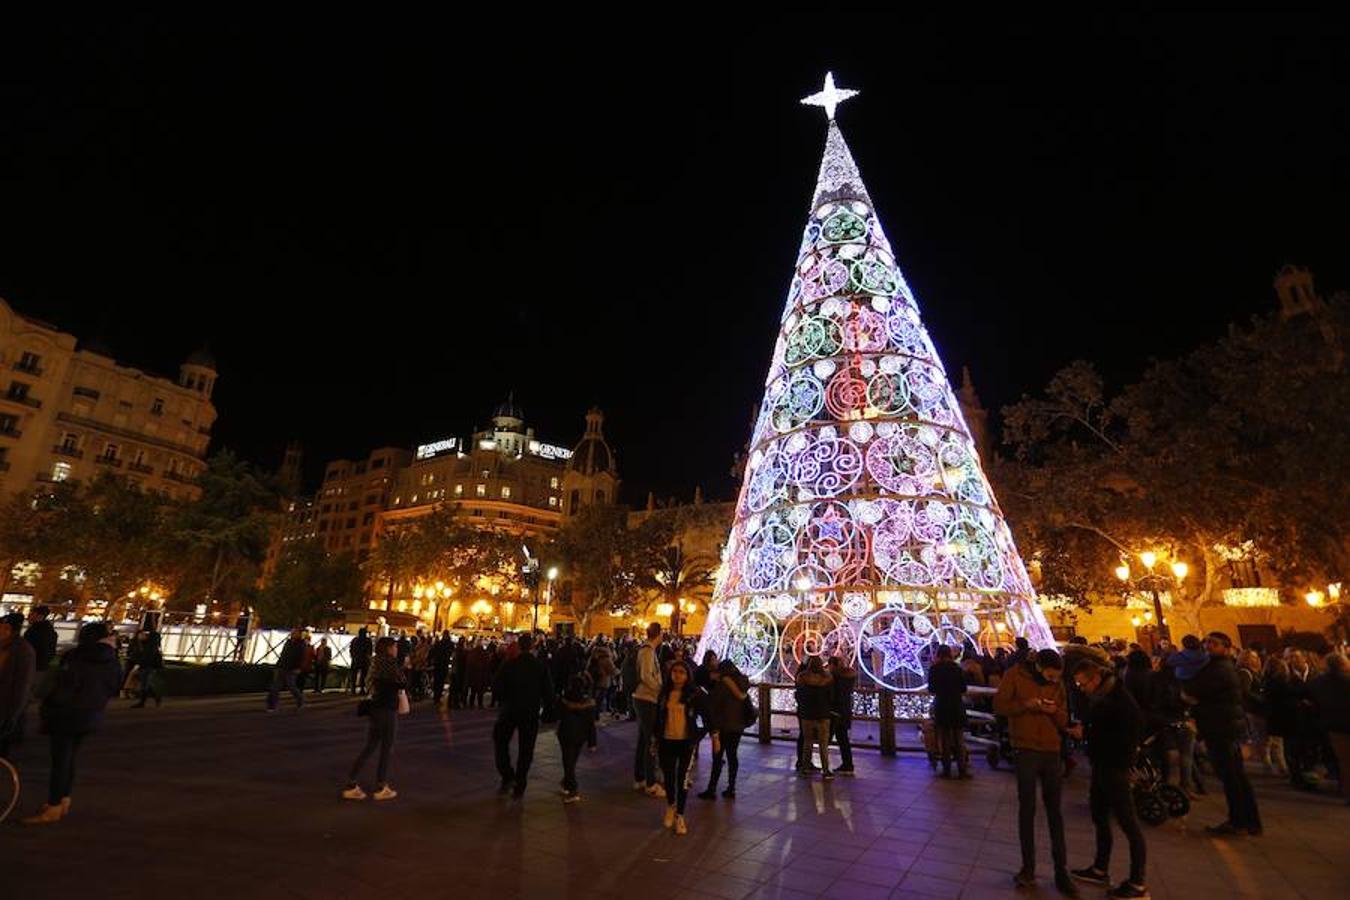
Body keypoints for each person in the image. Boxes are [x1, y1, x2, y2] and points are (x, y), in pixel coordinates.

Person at [21, 622, 121, 825]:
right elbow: (113, 687)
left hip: (66, 714)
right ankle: (63, 799)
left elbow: (61, 685)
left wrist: (51, 704)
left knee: (60, 761)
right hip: (91, 714)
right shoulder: (112, 660)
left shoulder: (76, 656)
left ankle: (54, 805)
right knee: (69, 758)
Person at [993, 648, 1075, 896]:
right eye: (1049, 675)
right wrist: (1025, 705)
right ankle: (1028, 868)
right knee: (1027, 809)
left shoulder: (1058, 683)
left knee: (1055, 812)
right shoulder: (1014, 676)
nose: (1053, 680)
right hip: (1025, 748)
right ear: (1038, 667)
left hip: (1051, 749)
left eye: (1056, 677)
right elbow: (1000, 705)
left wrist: (1055, 712)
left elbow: (1065, 719)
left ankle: (1061, 870)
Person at [1069, 656, 1149, 900]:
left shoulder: (1119, 700)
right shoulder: (1104, 696)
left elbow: (1124, 735)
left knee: (1129, 824)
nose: (1082, 689)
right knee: (1099, 816)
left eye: (1083, 684)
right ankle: (1099, 868)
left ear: (1096, 678)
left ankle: (1137, 882)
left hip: (1115, 767)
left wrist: (1088, 734)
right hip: (1102, 765)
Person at [1182, 631, 1261, 836]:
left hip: (1221, 727)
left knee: (1232, 777)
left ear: (1226, 647)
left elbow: (1192, 690)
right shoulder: (1219, 667)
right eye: (1207, 642)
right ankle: (1249, 821)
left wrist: (1192, 698)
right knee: (1236, 776)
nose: (1208, 646)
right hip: (1223, 725)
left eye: (1214, 643)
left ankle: (1239, 821)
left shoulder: (1219, 669)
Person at [492, 633, 553, 799]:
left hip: (509, 709)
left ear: (519, 645)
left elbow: (496, 685)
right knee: (526, 749)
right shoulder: (539, 666)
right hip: (530, 712)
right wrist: (546, 710)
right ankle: (521, 781)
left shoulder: (509, 664)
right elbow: (548, 692)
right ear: (532, 646)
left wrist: (504, 699)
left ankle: (507, 774)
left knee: (500, 741)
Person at [342, 636, 403, 801]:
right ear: (389, 648)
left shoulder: (375, 662)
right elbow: (402, 682)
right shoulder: (390, 663)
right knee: (386, 748)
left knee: (370, 746)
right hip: (387, 709)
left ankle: (351, 782)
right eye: (395, 646)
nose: (397, 649)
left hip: (375, 708)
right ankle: (381, 786)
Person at [655, 659, 705, 835]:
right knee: (668, 777)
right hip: (666, 740)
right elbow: (657, 718)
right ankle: (671, 805)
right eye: (674, 671)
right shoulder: (664, 693)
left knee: (682, 779)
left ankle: (680, 816)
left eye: (681, 672)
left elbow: (706, 715)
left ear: (687, 675)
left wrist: (702, 735)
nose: (677, 675)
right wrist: (655, 739)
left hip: (685, 742)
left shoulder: (694, 694)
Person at [699, 658, 750, 799]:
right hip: (738, 726)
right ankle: (731, 787)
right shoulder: (742, 683)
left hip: (723, 726)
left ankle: (712, 788)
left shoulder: (721, 686)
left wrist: (713, 729)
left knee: (717, 757)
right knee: (732, 756)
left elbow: (714, 708)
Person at [1307, 652, 1350, 805]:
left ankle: (1346, 792)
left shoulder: (1317, 682)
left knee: (1345, 762)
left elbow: (1309, 697)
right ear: (1343, 664)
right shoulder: (1347, 680)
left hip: (1333, 727)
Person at [631, 622, 666, 798]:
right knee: (651, 740)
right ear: (658, 634)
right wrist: (659, 690)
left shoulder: (648, 651)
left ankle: (640, 777)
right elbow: (646, 676)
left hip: (645, 697)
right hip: (646, 698)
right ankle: (650, 783)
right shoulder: (647, 651)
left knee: (644, 739)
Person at [927, 645, 969, 779]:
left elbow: (931, 688)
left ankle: (947, 769)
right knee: (958, 739)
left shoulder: (934, 669)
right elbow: (963, 688)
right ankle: (962, 769)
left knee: (944, 739)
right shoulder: (957, 668)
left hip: (942, 705)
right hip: (956, 705)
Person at [1, 612, 37, 759]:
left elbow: (23, 686)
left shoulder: (22, 650)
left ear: (9, 629)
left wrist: (13, 716)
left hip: (5, 708)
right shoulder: (4, 647)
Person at [556, 673, 595, 803]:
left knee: (568, 762)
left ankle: (573, 790)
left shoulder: (565, 699)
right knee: (572, 761)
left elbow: (558, 714)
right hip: (581, 736)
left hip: (566, 734)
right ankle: (566, 783)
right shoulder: (588, 702)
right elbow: (591, 724)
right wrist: (592, 742)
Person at [795, 656, 834, 778]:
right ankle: (826, 769)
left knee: (807, 741)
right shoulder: (827, 679)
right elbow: (831, 697)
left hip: (807, 714)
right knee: (823, 743)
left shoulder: (802, 678)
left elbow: (798, 695)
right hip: (823, 714)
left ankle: (805, 767)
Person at [1261, 658, 1296, 777]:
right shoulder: (1281, 683)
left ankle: (1277, 767)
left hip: (1272, 716)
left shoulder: (1267, 681)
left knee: (1274, 743)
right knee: (1280, 745)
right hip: (1282, 717)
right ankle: (1284, 768)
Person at [828, 654, 857, 776]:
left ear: (833, 665)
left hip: (834, 710)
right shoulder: (849, 676)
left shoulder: (833, 677)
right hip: (845, 710)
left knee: (826, 738)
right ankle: (848, 764)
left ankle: (825, 765)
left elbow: (830, 693)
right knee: (843, 739)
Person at [266, 628, 306, 712]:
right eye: (292, 632)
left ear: (299, 634)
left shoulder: (301, 644)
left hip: (292, 668)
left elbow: (301, 657)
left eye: (295, 633)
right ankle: (272, 705)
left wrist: (298, 668)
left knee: (291, 686)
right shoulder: (288, 642)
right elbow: (283, 654)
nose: (292, 634)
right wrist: (278, 665)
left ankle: (300, 700)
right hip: (281, 666)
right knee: (275, 687)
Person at [129, 628, 164, 708]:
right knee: (145, 684)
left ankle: (143, 702)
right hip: (146, 666)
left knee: (145, 684)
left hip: (148, 666)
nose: (142, 636)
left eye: (143, 635)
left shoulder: (150, 645)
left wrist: (139, 664)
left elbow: (146, 657)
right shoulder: (146, 645)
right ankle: (155, 697)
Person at [348, 627, 373, 695]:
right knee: (363, 675)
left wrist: (353, 656)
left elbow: (351, 649)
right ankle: (362, 689)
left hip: (356, 659)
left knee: (354, 675)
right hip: (364, 660)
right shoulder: (368, 640)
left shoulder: (355, 640)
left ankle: (353, 689)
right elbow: (370, 651)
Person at [431, 631, 453, 705]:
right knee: (440, 682)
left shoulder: (438, 643)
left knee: (437, 682)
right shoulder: (450, 644)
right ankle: (438, 697)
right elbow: (450, 654)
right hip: (444, 666)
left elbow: (432, 653)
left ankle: (436, 697)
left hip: (437, 665)